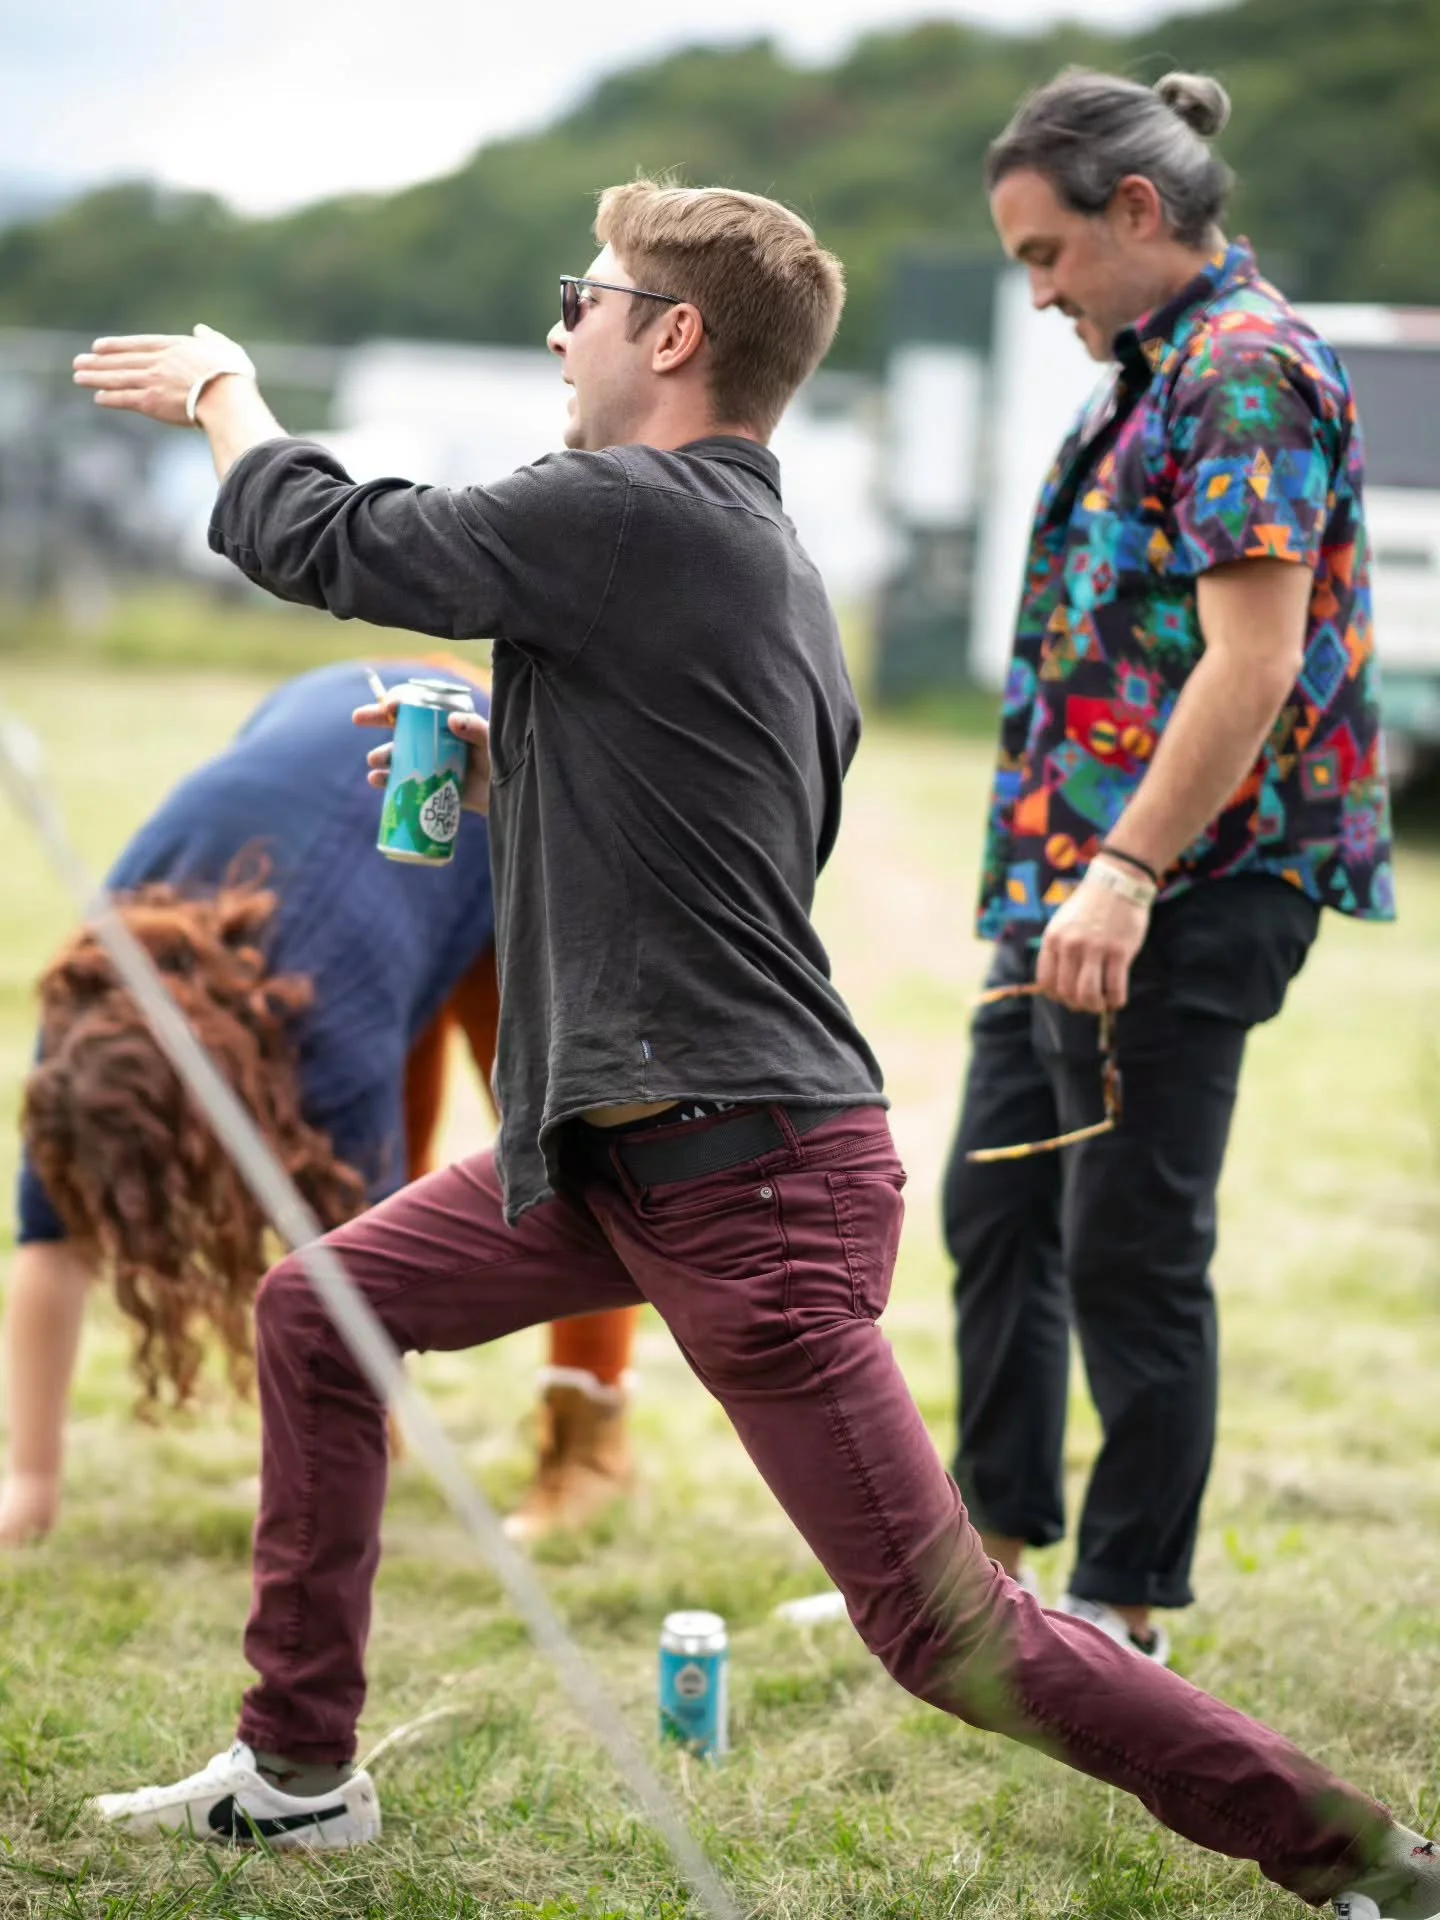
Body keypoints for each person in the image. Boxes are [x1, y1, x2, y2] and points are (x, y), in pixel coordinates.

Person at [69, 178, 1436, 1920]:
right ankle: (299, 1776)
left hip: (747, 1176)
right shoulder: (754, 558)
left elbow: (324, 541)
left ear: (673, 334)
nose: (562, 326)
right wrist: (518, 763)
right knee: (320, 1311)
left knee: (948, 1637)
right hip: (630, 1152)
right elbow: (714, 835)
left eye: (587, 295)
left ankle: (1363, 1856)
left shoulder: (631, 511)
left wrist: (222, 393)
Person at [941, 67, 1395, 1668]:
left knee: (1129, 1244)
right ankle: (982, 1573)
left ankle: (1118, 1611)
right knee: (998, 1218)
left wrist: (1126, 872)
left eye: (1045, 255)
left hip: (1185, 890)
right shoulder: (1151, 362)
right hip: (1067, 894)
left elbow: (1251, 664)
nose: (1043, 290)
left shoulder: (1249, 370)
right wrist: (1069, 880)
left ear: (1137, 210)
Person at [1, 655, 641, 1550]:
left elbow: (361, 1273)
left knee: (563, 1148)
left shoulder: (326, 1032)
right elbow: (49, 1248)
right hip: (335, 761)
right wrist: (28, 1486)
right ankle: (378, 1433)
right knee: (387, 1150)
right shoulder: (86, 1021)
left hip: (481, 781)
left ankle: (590, 1438)